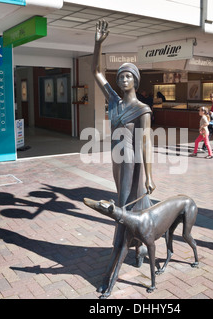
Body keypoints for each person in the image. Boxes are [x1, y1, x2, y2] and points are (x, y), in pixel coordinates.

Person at [92, 20, 155, 268]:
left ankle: (122, 245)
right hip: (117, 160)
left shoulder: (142, 110)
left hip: (132, 161)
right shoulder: (115, 101)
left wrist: (149, 176)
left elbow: (147, 143)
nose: (124, 79)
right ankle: (138, 244)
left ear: (136, 81)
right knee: (129, 201)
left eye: (129, 75)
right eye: (121, 76)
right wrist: (98, 44)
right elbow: (96, 72)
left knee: (125, 204)